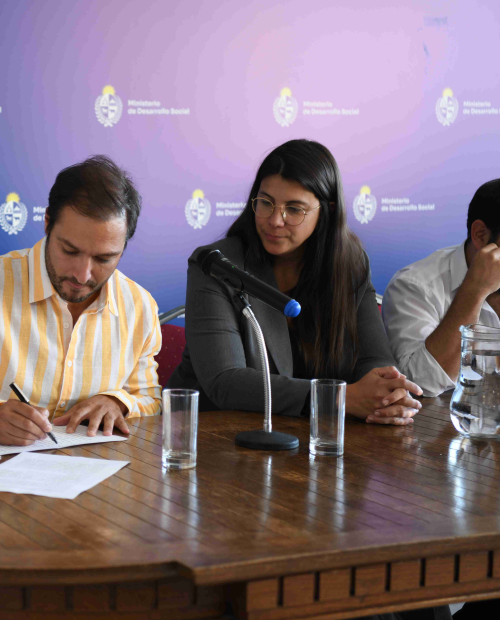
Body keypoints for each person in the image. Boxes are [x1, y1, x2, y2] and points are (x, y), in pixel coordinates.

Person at [0, 155, 162, 446]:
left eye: (104, 258)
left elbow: (150, 401)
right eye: (69, 250)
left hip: (85, 476)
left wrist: (117, 403)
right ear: (46, 223)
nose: (83, 275)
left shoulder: (139, 306)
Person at [167, 139, 423, 424]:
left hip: (310, 440)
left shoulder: (349, 263)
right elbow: (225, 381)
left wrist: (385, 394)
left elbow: (373, 358)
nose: (275, 220)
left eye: (294, 209)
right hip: (211, 436)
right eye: (265, 203)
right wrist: (339, 399)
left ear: (326, 211)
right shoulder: (216, 264)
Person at [382, 179, 500, 397]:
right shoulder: (415, 286)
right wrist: (474, 290)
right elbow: (420, 384)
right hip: (446, 427)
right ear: (481, 235)